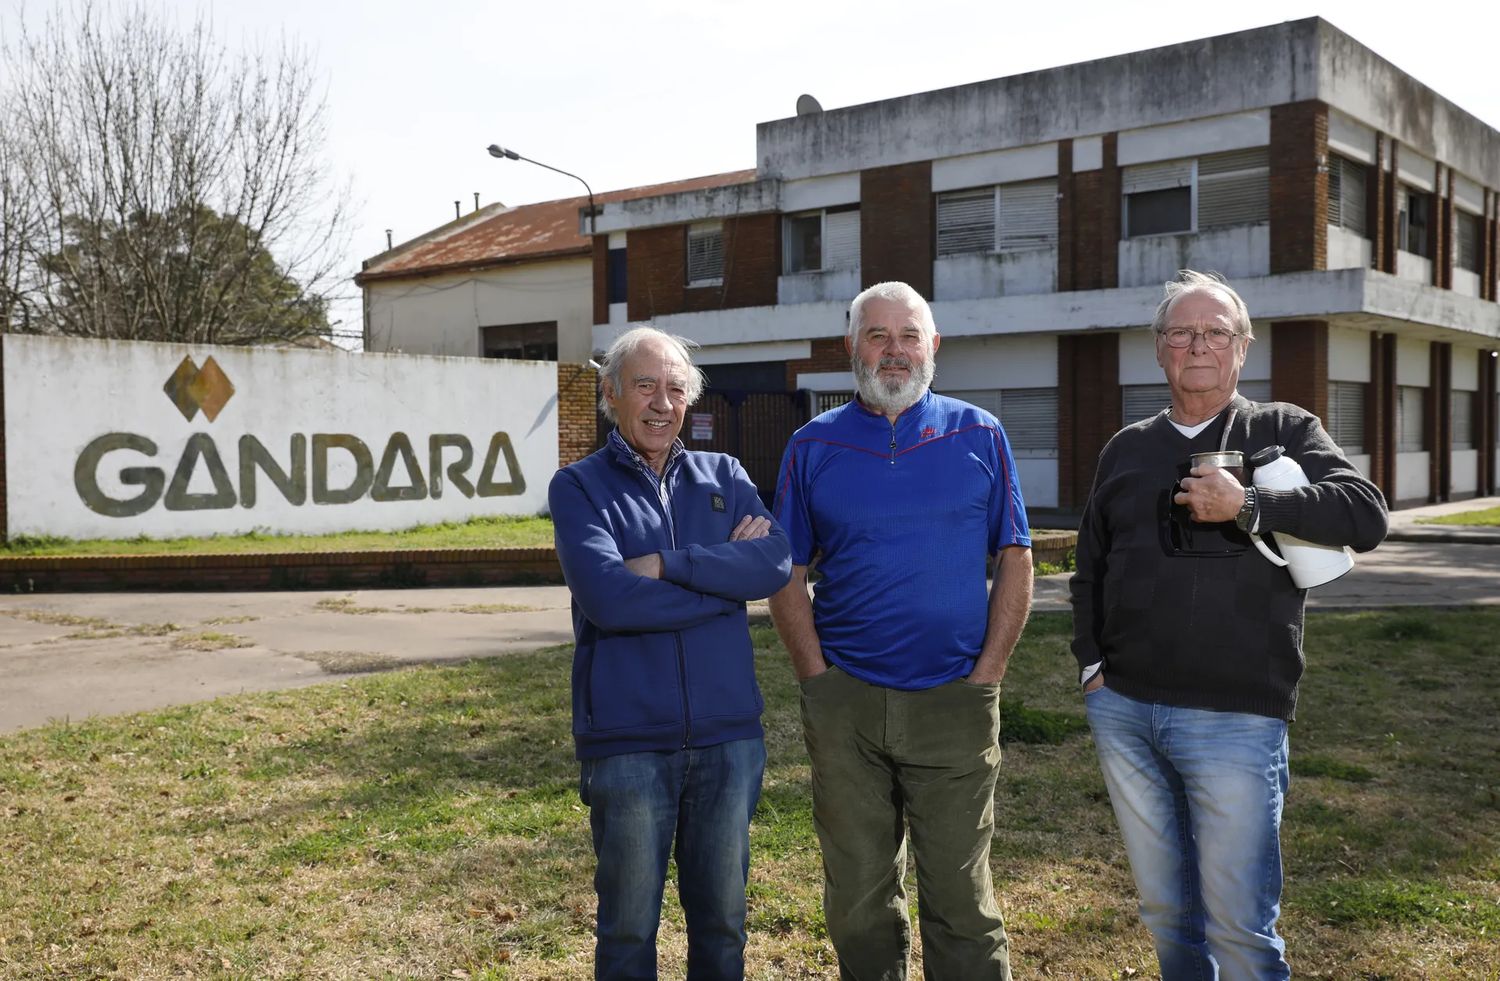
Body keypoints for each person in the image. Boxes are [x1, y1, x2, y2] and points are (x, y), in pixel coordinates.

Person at [1070, 270, 1388, 980]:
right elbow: (1089, 565)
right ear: (1159, 350)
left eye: (1216, 331)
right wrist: (1092, 666)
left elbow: (1366, 514)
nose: (1198, 344)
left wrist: (1251, 507)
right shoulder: (1126, 447)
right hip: (1125, 709)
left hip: (1237, 716)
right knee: (1168, 913)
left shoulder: (1282, 429)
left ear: (1241, 349)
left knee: (1241, 926)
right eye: (1181, 332)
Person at [769, 281, 1033, 980]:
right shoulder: (811, 444)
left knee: (961, 897)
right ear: (851, 348)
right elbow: (783, 571)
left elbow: (1016, 555)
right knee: (857, 895)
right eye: (877, 335)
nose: (894, 350)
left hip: (955, 699)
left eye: (908, 335)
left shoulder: (980, 432)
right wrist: (817, 681)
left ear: (934, 346)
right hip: (847, 703)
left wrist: (988, 675)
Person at [549, 325, 792, 981]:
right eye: (645, 385)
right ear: (612, 394)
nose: (661, 402)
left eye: (675, 387)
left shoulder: (726, 474)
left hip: (727, 740)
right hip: (628, 745)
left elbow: (773, 561)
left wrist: (665, 564)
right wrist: (721, 589)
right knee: (627, 932)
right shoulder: (578, 487)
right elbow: (610, 601)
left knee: (723, 928)